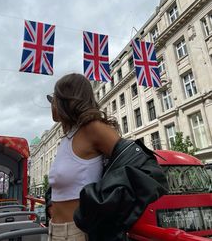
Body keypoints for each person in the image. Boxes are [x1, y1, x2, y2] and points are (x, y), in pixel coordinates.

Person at [47, 73, 168, 241]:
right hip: (56, 230)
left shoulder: (92, 129)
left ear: (66, 99)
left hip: (79, 233)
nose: (52, 103)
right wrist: (50, 206)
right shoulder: (68, 137)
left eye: (54, 97)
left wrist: (100, 204)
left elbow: (144, 166)